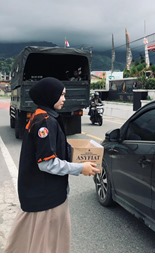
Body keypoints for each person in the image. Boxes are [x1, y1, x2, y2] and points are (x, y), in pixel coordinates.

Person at [4, 77, 100, 253]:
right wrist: (81, 168)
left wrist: (81, 154)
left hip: (40, 194)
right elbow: (47, 164)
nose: (64, 99)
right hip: (45, 197)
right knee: (45, 245)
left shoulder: (42, 115)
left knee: (31, 242)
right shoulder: (45, 121)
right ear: (50, 95)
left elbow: (56, 149)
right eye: (61, 95)